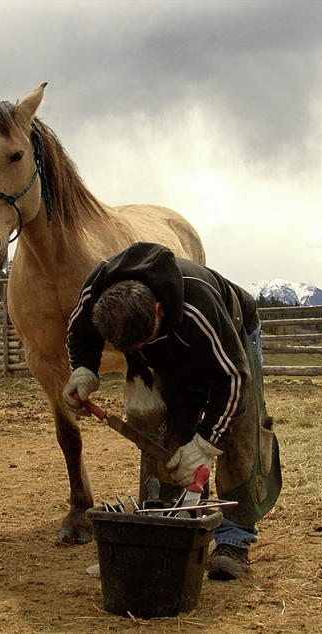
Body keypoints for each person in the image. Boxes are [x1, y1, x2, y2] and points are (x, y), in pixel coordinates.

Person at [64, 242, 281, 580]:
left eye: (142, 341)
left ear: (159, 310)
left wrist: (207, 443)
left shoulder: (199, 304)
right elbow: (80, 333)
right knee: (169, 437)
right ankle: (170, 531)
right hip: (172, 348)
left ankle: (234, 539)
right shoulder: (98, 291)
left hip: (230, 333)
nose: (136, 351)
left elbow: (233, 378)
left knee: (237, 433)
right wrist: (83, 371)